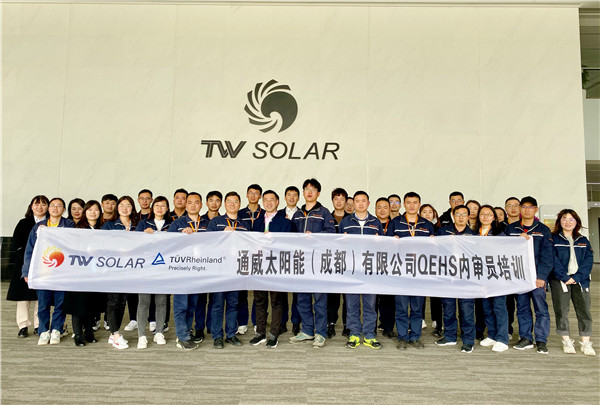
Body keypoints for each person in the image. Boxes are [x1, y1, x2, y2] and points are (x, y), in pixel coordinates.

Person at [22, 197, 75, 346]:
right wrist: (26, 271)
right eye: (53, 205)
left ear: (63, 209)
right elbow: (29, 250)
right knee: (43, 303)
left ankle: (57, 329)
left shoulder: (69, 225)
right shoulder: (38, 227)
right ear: (48, 209)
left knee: (60, 303)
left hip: (62, 271)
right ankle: (43, 331)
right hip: (43, 271)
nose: (55, 208)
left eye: (59, 206)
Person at [289, 179, 335, 348]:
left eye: (313, 189)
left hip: (318, 262)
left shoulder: (324, 212)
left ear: (318, 193)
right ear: (303, 192)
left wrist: (315, 236)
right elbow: (289, 236)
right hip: (301, 262)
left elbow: (331, 233)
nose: (309, 192)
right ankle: (307, 330)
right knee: (302, 299)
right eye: (306, 189)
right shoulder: (298, 214)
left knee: (320, 300)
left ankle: (320, 333)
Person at [504, 196, 553, 354]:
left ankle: (541, 339)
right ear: (520, 209)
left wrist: (542, 277)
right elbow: (502, 249)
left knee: (541, 309)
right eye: (523, 207)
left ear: (536, 210)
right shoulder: (511, 229)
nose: (526, 210)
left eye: (530, 207)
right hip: (520, 277)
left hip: (537, 278)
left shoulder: (543, 230)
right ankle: (525, 338)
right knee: (522, 308)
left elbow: (547, 256)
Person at [386, 192, 434, 350]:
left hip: (420, 272)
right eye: (408, 202)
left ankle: (415, 337)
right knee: (401, 307)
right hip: (401, 272)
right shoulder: (395, 223)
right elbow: (386, 246)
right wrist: (392, 243)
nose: (412, 205)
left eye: (415, 202)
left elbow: (434, 249)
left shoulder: (427, 225)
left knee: (417, 308)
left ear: (419, 204)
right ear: (404, 205)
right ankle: (402, 337)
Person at [339, 191, 384, 349]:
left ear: (368, 203)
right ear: (353, 203)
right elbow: (338, 245)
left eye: (363, 201)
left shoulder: (375, 222)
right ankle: (354, 333)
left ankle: (369, 334)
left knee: (370, 304)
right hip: (351, 269)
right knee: (352, 304)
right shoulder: (345, 222)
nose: (360, 204)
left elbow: (383, 246)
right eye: (357, 201)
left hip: (370, 269)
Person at [207, 191, 251, 349]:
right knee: (218, 304)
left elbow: (249, 246)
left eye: (235, 202)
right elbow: (207, 243)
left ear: (240, 204)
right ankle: (217, 336)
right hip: (220, 269)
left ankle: (231, 334)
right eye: (229, 202)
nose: (232, 204)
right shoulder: (216, 222)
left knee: (233, 303)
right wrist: (222, 235)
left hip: (236, 270)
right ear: (225, 204)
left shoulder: (244, 224)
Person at [250, 190, 292, 348]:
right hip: (259, 265)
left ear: (277, 202)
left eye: (271, 200)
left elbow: (288, 245)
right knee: (259, 300)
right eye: (265, 200)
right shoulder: (257, 222)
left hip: (276, 265)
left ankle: (274, 333)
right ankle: (260, 333)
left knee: (276, 301)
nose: (268, 202)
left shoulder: (285, 222)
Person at [550, 209, 595, 356]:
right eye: (564, 219)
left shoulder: (583, 240)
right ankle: (566, 340)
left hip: (580, 281)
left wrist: (577, 277)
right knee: (561, 310)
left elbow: (588, 261)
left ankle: (586, 342)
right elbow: (552, 260)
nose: (567, 222)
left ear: (577, 222)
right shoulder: (553, 239)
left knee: (584, 311)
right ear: (559, 221)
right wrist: (564, 276)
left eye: (571, 219)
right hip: (560, 280)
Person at [435, 205, 476, 353]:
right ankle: (450, 336)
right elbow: (436, 251)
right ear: (453, 215)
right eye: (458, 214)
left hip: (466, 279)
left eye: (464, 214)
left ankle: (468, 340)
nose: (461, 217)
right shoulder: (443, 232)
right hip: (447, 277)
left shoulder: (474, 235)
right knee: (448, 309)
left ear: (468, 217)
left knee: (467, 310)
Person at [64, 200, 105, 347]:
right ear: (84, 212)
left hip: (96, 273)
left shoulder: (103, 229)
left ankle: (89, 332)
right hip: (79, 273)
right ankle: (78, 334)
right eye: (89, 210)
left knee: (92, 304)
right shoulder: (77, 229)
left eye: (96, 210)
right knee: (78, 305)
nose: (93, 212)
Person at [168, 192, 205, 350]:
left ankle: (187, 331)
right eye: (190, 202)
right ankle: (181, 337)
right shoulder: (178, 224)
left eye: (196, 202)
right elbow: (167, 244)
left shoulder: (206, 224)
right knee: (181, 305)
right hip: (181, 270)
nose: (193, 205)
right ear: (185, 205)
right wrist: (180, 236)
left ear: (201, 205)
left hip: (198, 270)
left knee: (192, 305)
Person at [7, 195, 48, 338]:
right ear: (31, 206)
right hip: (25, 263)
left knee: (40, 297)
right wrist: (25, 260)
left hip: (44, 264)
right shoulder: (23, 222)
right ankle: (23, 325)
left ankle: (38, 325)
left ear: (48, 207)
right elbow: (16, 243)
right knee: (23, 297)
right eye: (37, 204)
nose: (40, 207)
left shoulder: (50, 223)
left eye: (43, 204)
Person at [102, 196, 139, 349]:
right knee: (113, 301)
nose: (125, 208)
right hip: (114, 270)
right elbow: (103, 245)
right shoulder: (109, 226)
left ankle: (113, 333)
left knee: (122, 301)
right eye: (122, 205)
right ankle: (116, 334)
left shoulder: (138, 226)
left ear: (132, 208)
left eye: (128, 205)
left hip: (131, 270)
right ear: (117, 208)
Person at [135, 196, 172, 349]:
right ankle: (141, 335)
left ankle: (159, 332)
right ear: (152, 207)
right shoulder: (144, 223)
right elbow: (134, 243)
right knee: (144, 301)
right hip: (146, 268)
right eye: (157, 205)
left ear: (167, 208)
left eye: (163, 205)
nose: (159, 208)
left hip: (164, 268)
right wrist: (144, 236)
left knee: (161, 301)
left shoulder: (172, 224)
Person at [475, 205, 510, 352]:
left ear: (494, 217)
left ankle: (503, 338)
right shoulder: (474, 233)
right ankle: (492, 334)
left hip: (496, 275)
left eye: (489, 214)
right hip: (480, 275)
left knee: (499, 307)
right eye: (482, 214)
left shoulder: (499, 233)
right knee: (487, 307)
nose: (485, 217)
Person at [237, 184, 265, 335]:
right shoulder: (239, 213)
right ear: (247, 195)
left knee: (258, 291)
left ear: (260, 196)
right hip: (242, 255)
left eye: (256, 193)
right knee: (241, 290)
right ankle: (242, 322)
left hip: (260, 256)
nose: (253, 195)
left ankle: (256, 321)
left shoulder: (265, 213)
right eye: (251, 193)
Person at [194, 190, 222, 340]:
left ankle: (212, 326)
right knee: (200, 299)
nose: (214, 203)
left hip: (218, 264)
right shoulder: (200, 220)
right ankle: (199, 328)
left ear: (221, 203)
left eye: (217, 200)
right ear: (206, 203)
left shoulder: (223, 221)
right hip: (201, 264)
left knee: (215, 299)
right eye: (211, 200)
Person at [278, 185, 301, 334]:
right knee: (281, 292)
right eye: (289, 195)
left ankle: (296, 322)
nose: (291, 198)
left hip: (297, 256)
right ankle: (281, 322)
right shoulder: (278, 214)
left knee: (298, 292)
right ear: (285, 197)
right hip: (281, 257)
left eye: (294, 195)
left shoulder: (302, 214)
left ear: (298, 198)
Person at [328, 187, 350, 338]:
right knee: (332, 297)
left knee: (348, 297)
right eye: (336, 199)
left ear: (346, 201)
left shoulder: (352, 219)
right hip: (331, 262)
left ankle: (348, 325)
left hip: (348, 263)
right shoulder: (327, 218)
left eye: (342, 199)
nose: (339, 201)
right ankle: (331, 323)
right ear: (332, 201)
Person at [419, 203, 442, 336]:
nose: (427, 214)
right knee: (420, 293)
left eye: (430, 212)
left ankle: (436, 319)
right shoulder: (417, 228)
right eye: (424, 212)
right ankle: (420, 318)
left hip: (435, 265)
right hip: (420, 265)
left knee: (435, 295)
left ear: (434, 215)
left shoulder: (440, 229)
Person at [375, 197, 395, 338]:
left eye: (385, 207)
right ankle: (372, 328)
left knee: (388, 299)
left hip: (390, 267)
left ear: (390, 209)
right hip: (373, 266)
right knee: (373, 300)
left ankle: (388, 327)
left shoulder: (395, 224)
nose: (382, 210)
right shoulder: (371, 224)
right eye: (379, 207)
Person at [504, 196, 521, 337]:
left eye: (516, 205)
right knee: (508, 303)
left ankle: (525, 334)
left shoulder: (527, 225)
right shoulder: (501, 226)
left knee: (523, 304)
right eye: (509, 205)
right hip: (506, 271)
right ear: (505, 209)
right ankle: (508, 329)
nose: (513, 208)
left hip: (521, 270)